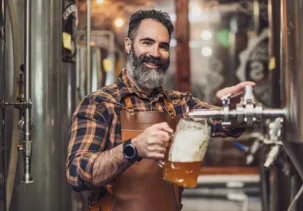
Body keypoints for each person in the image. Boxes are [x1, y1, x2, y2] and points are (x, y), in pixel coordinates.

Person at [66, 9, 254, 211]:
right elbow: (77, 174)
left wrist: (232, 108)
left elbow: (229, 126)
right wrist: (133, 148)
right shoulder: (100, 103)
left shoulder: (179, 104)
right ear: (129, 45)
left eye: (163, 46)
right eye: (147, 42)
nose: (155, 54)